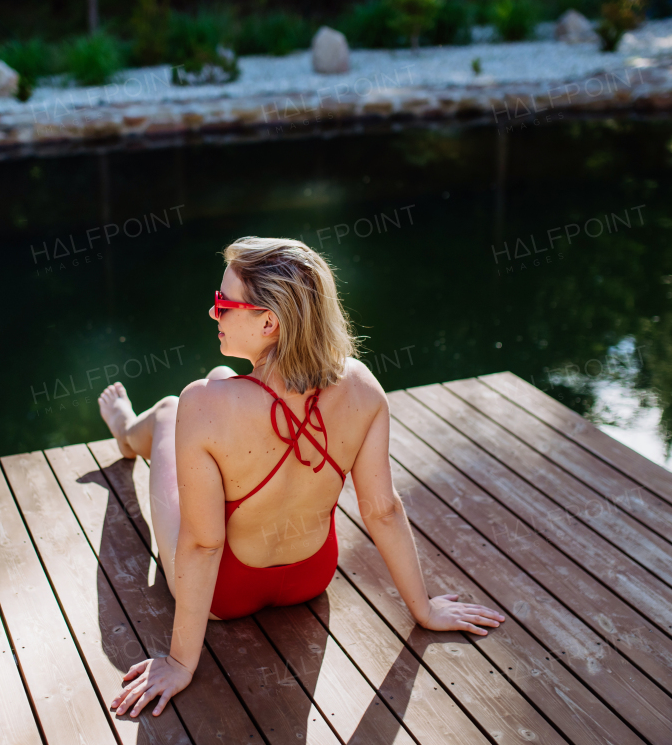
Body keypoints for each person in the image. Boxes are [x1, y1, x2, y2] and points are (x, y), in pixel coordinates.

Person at [99, 236, 505, 720]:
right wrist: (426, 609)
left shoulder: (202, 403)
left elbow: (204, 545)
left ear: (269, 321)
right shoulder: (363, 386)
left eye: (223, 304)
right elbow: (383, 509)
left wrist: (181, 663)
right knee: (216, 384)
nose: (214, 314)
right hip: (311, 574)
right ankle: (129, 429)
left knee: (169, 411)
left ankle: (126, 432)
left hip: (227, 594)